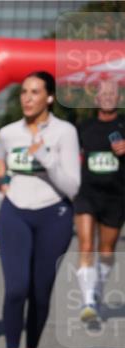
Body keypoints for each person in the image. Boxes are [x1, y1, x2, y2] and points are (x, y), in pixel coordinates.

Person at [0, 71, 80, 348]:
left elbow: (73, 186)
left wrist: (44, 155)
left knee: (40, 293)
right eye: (24, 93)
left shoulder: (64, 132)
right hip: (15, 212)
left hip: (54, 214)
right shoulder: (7, 132)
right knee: (16, 289)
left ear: (50, 97)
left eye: (35, 92)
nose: (27, 98)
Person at [74, 78, 125, 322]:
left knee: (107, 251)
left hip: (116, 197)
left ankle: (97, 289)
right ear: (96, 99)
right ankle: (88, 302)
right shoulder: (83, 127)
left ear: (118, 98)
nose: (107, 97)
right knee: (86, 245)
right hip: (87, 195)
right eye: (102, 93)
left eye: (111, 93)